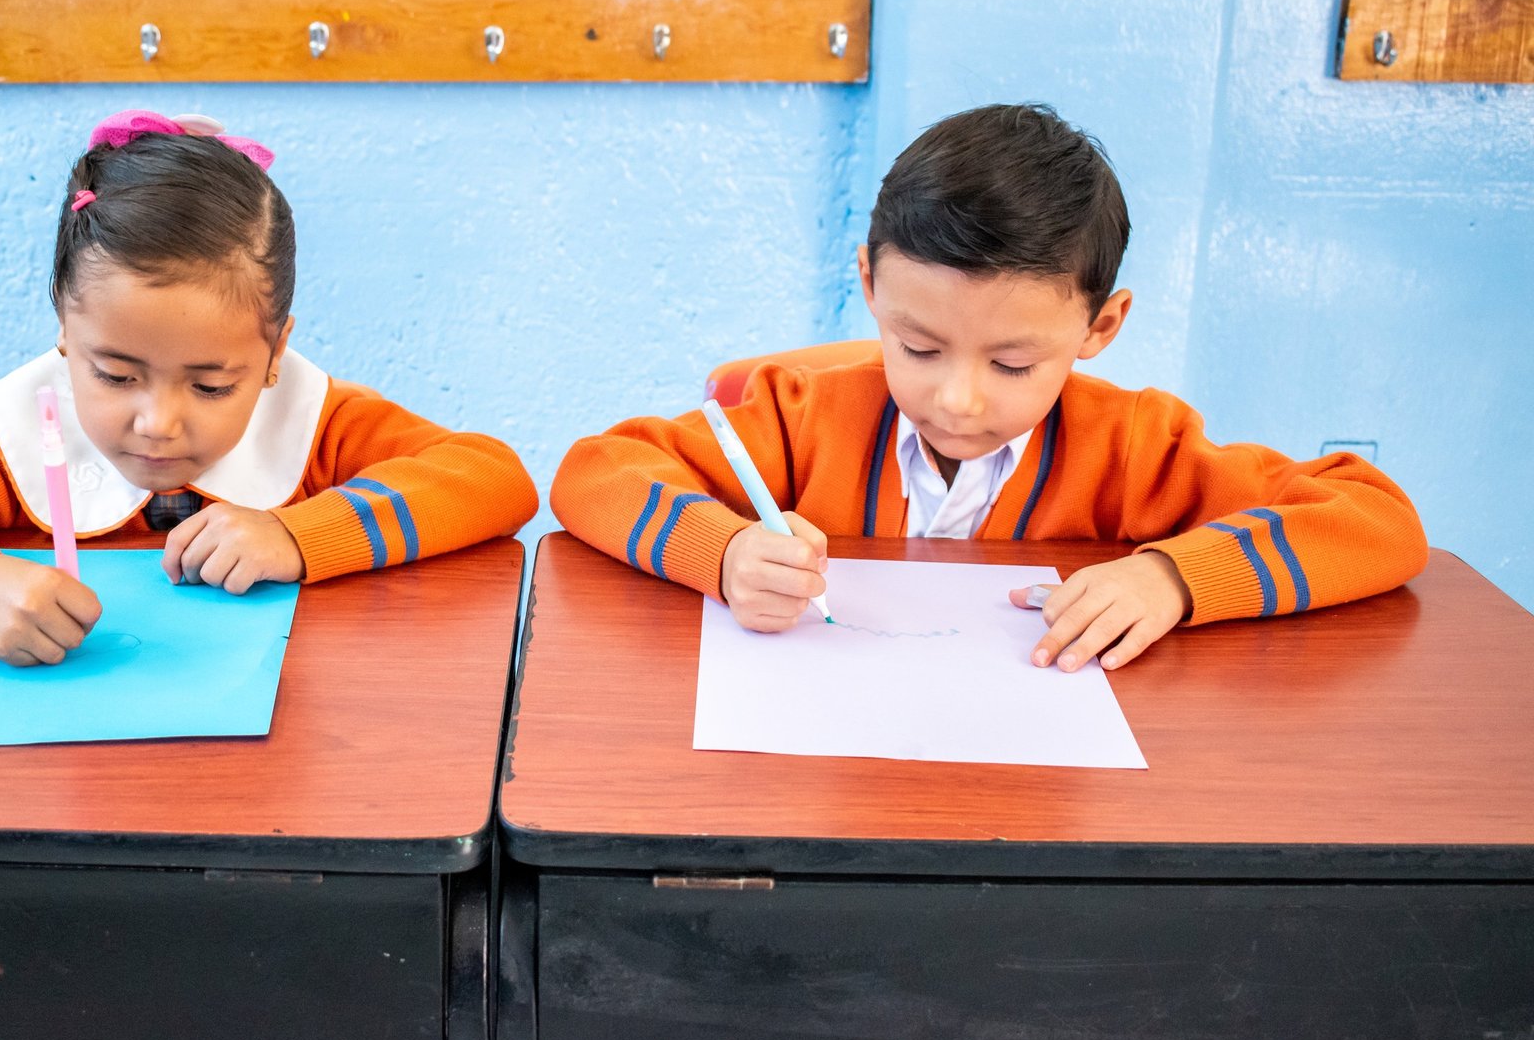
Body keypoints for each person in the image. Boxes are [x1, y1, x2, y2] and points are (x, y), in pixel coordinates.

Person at [551, 103, 1425, 672]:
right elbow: (593, 472)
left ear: (1099, 328)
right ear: (870, 286)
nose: (958, 400)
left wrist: (1170, 579)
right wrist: (726, 552)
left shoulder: (1132, 446)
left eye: (1012, 365)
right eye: (917, 346)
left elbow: (1377, 521)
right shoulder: (799, 415)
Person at [0, 110, 537, 665]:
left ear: (275, 351)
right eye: (114, 375)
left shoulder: (313, 421)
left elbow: (493, 478)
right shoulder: (11, 433)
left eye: (210, 386)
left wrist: (297, 535)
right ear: (64, 329)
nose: (157, 422)